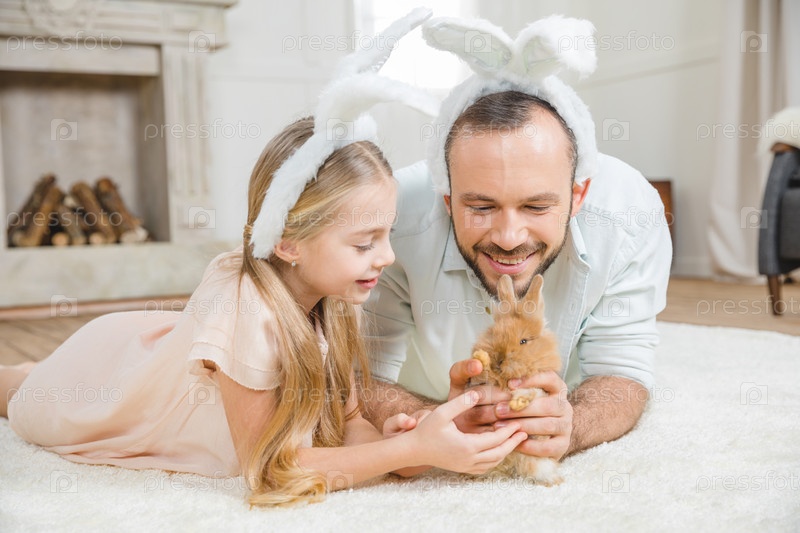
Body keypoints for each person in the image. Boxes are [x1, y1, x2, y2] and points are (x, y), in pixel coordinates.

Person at [0, 116, 527, 506]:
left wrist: (411, 446)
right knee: (19, 393)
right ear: (289, 243)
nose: (386, 257)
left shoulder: (334, 296)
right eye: (365, 242)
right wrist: (401, 454)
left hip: (153, 348)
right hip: (104, 386)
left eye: (386, 235)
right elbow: (270, 472)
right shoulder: (244, 303)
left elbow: (348, 425)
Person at [362, 16, 672, 461]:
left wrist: (572, 425)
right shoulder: (392, 218)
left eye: (536, 207)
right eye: (481, 207)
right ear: (447, 198)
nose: (509, 239)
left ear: (578, 194)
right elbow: (360, 374)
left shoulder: (630, 214)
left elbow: (624, 369)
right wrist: (424, 420)